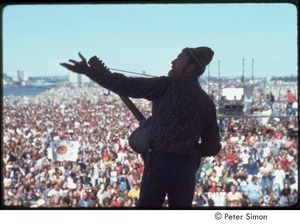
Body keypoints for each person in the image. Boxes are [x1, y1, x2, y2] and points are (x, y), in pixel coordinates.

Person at [60, 46, 221, 207]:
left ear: (190, 68)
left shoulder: (166, 85)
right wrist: (190, 150)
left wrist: (89, 71)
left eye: (179, 58)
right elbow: (213, 147)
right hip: (186, 169)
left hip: (158, 164)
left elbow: (125, 85)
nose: (173, 62)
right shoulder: (206, 103)